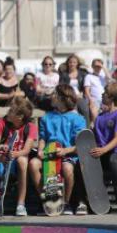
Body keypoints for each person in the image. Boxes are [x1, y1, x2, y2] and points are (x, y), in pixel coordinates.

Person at [28, 84, 87, 216]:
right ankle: (47, 199)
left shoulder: (78, 119)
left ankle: (65, 203)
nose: (51, 96)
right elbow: (43, 138)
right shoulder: (46, 117)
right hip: (49, 154)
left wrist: (65, 151)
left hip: (68, 155)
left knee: (67, 168)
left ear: (62, 98)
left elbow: (80, 144)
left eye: (54, 94)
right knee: (33, 164)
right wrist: (41, 151)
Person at [0, 97, 37, 218]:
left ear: (20, 117)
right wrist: (0, 155)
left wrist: (15, 154)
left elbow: (26, 150)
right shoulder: (2, 123)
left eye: (11, 111)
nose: (8, 112)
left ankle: (21, 204)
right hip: (3, 159)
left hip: (17, 160)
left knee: (22, 161)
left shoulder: (31, 127)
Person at [91, 84, 117, 215]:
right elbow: (94, 138)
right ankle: (85, 201)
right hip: (102, 152)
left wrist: (103, 150)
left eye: (105, 93)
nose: (102, 95)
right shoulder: (100, 117)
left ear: (112, 97)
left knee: (113, 161)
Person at [83, 59, 110, 125]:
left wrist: (103, 67)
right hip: (94, 100)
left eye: (99, 66)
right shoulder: (88, 76)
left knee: (105, 119)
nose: (98, 67)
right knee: (95, 121)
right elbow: (86, 90)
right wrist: (90, 100)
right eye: (96, 66)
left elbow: (109, 78)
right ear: (92, 66)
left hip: (104, 101)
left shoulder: (103, 76)